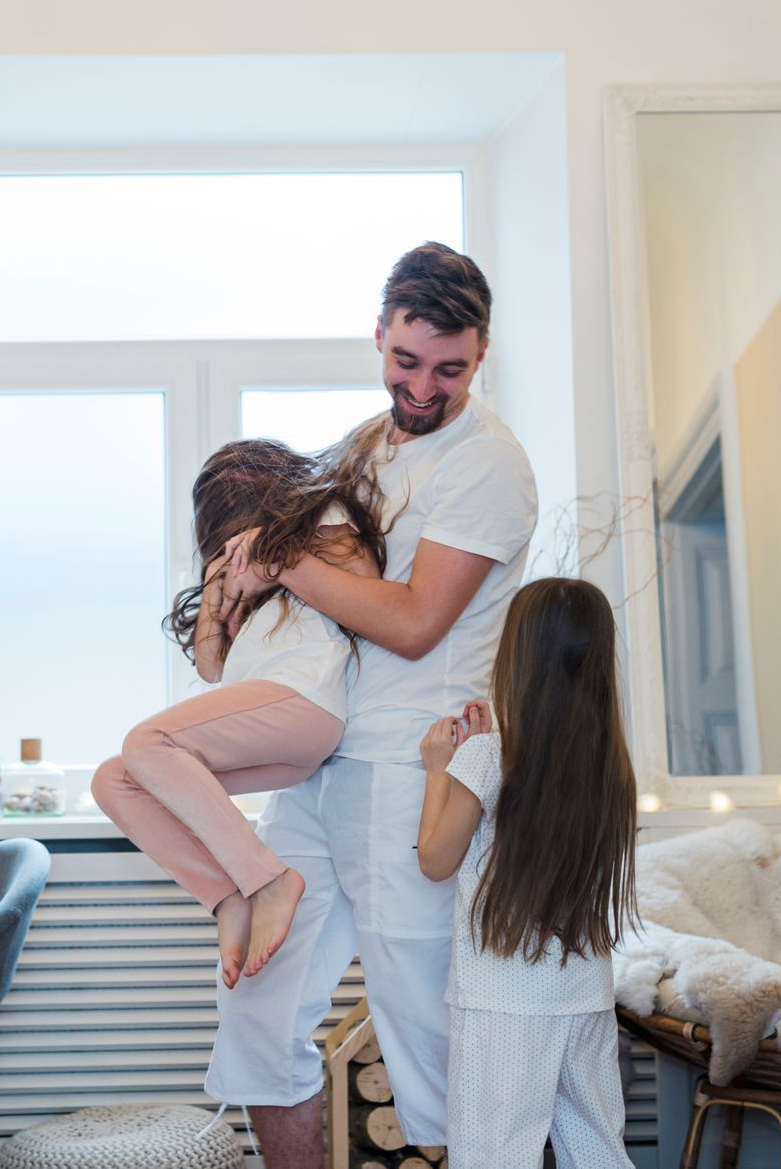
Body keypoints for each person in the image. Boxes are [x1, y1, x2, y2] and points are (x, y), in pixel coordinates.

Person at [203, 242, 539, 1165]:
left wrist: (286, 563)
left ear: (481, 356)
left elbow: (417, 622)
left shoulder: (488, 465)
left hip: (414, 772)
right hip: (319, 763)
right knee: (257, 1011)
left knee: (426, 1027)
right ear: (379, 335)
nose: (425, 386)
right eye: (406, 360)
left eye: (451, 368)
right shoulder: (364, 443)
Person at [92, 438, 388, 989]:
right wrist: (214, 587)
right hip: (280, 730)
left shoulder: (323, 518)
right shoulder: (240, 572)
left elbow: (366, 582)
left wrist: (277, 553)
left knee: (148, 741)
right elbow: (211, 668)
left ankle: (268, 880)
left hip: (305, 704)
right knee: (116, 779)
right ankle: (228, 896)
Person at [416, 577, 638, 1168]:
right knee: (596, 1148)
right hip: (584, 993)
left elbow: (436, 860)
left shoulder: (488, 756)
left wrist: (440, 768)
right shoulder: (610, 768)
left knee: (493, 1155)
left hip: (501, 1000)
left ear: (518, 657)